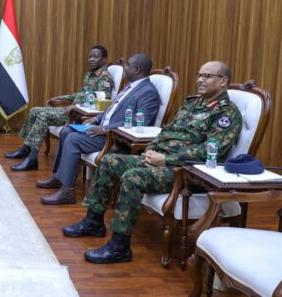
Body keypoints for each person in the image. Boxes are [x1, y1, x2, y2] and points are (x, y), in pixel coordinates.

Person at [63, 61, 242, 264]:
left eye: (207, 76)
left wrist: (166, 159)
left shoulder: (226, 113)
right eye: (199, 75)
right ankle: (93, 222)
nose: (200, 80)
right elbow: (167, 131)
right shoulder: (192, 103)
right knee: (109, 161)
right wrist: (151, 150)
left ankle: (120, 246)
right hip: (160, 160)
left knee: (133, 177)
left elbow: (211, 151)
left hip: (186, 171)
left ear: (223, 81)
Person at [37, 54, 161, 205]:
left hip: (114, 138)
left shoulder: (148, 92)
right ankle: (59, 178)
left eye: (128, 65)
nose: (125, 68)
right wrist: (96, 119)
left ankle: (66, 192)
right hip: (101, 129)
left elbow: (138, 122)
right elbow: (112, 109)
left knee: (73, 139)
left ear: (137, 69)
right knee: (66, 131)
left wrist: (105, 128)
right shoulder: (130, 86)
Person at [5, 46, 114, 171]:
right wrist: (62, 97)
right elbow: (80, 94)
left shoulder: (105, 78)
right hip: (72, 109)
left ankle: (32, 159)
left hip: (79, 114)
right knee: (34, 110)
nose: (91, 59)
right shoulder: (90, 74)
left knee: (43, 116)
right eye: (90, 56)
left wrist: (76, 106)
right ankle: (26, 148)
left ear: (104, 59)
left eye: (95, 57)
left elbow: (103, 98)